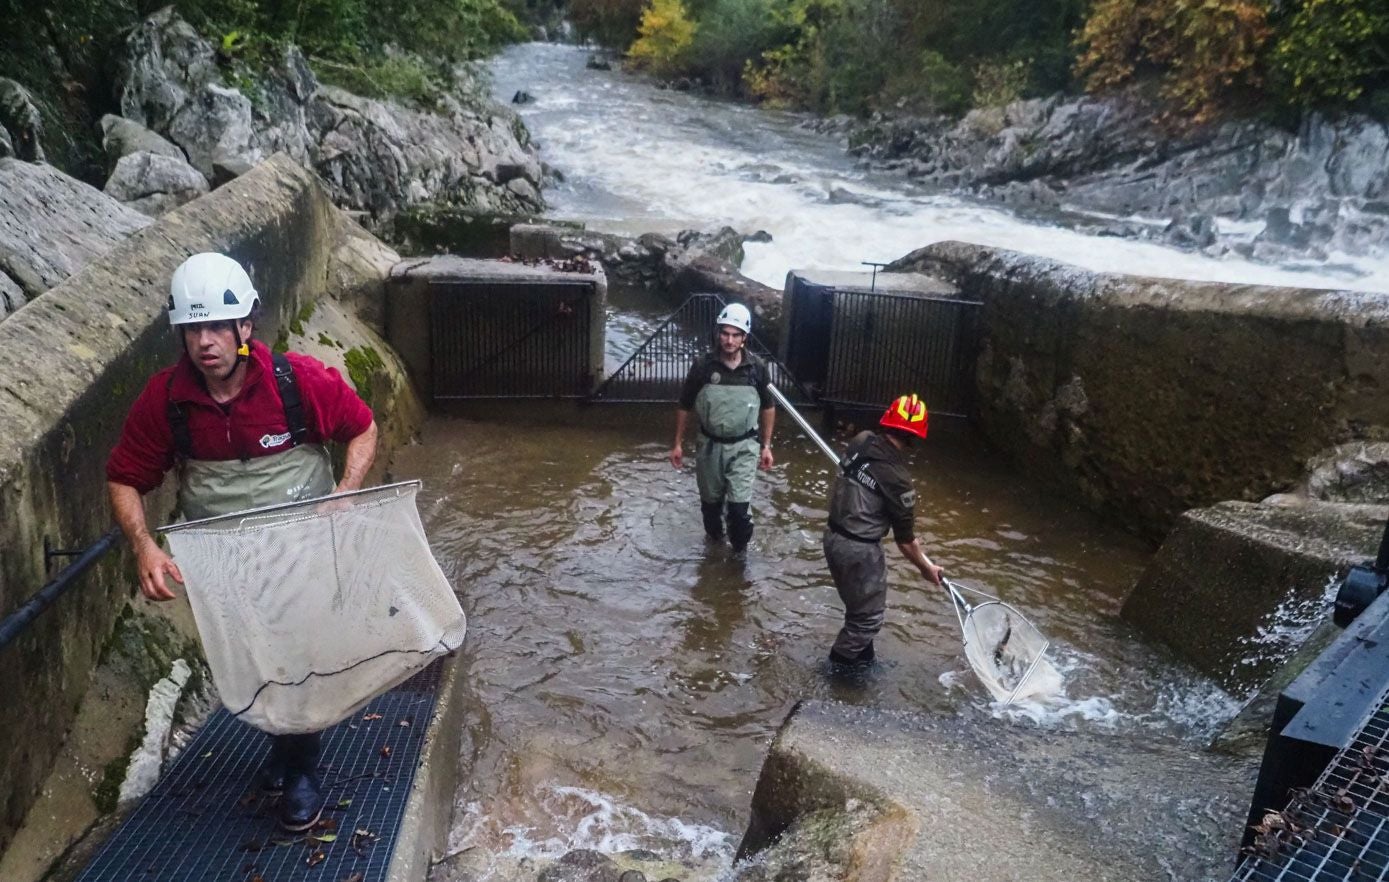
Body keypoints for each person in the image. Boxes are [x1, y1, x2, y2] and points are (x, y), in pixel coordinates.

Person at [106, 252, 378, 831]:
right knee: (256, 657)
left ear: (244, 328)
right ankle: (283, 745)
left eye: (216, 327)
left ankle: (303, 768)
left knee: (303, 653)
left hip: (303, 548)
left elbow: (363, 428)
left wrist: (347, 490)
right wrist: (144, 546)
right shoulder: (166, 400)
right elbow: (126, 477)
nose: (206, 342)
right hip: (224, 561)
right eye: (193, 329)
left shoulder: (297, 382)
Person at [823, 393, 943, 667]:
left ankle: (864, 663)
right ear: (916, 436)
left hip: (832, 536)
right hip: (860, 550)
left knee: (859, 612)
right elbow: (905, 542)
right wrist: (927, 567)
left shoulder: (861, 440)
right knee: (867, 621)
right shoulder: (899, 479)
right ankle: (835, 677)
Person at [669, 302, 775, 553]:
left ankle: (739, 559)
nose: (729, 340)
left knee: (739, 511)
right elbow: (685, 404)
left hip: (744, 446)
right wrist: (677, 443)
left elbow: (768, 407)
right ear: (718, 334)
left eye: (735, 335)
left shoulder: (757, 368)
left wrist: (767, 446)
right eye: (725, 333)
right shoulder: (703, 366)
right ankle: (714, 549)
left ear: (744, 338)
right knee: (711, 508)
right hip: (709, 446)